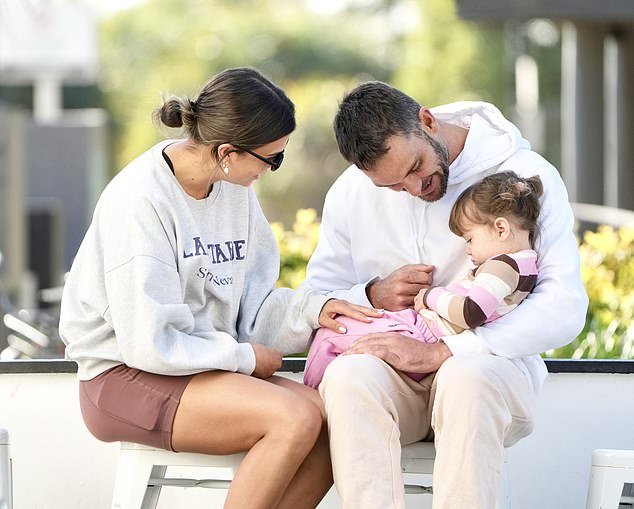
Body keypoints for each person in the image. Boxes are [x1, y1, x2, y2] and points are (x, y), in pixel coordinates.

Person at [58, 67, 380, 509]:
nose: (271, 170)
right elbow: (149, 342)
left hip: (197, 367)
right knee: (291, 417)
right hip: (122, 376)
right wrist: (244, 358)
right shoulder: (140, 201)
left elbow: (254, 307)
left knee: (331, 421)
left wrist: (314, 310)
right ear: (227, 151)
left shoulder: (233, 187)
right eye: (272, 158)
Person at [305, 82, 588, 508]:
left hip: (490, 374)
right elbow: (318, 296)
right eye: (395, 187)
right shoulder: (349, 191)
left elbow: (565, 306)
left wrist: (448, 351)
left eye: (416, 167)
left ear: (427, 120)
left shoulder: (526, 174)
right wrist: (373, 293)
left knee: (465, 376)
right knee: (347, 377)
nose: (416, 189)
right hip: (397, 384)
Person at [304, 171, 543, 389]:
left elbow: (472, 311)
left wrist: (430, 296)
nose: (468, 251)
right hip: (429, 333)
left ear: (501, 229)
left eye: (470, 239)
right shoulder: (526, 264)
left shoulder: (501, 267)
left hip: (426, 335)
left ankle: (314, 400)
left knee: (330, 335)